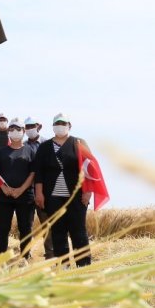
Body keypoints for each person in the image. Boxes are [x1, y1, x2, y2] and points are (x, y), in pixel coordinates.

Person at [34, 113, 92, 267]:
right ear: (53, 126)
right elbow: (38, 173)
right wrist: (39, 193)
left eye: (63, 123)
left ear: (69, 126)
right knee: (58, 231)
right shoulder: (44, 147)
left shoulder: (79, 143)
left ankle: (83, 264)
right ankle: (63, 265)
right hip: (53, 197)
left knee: (78, 230)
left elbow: (90, 169)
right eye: (57, 123)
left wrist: (88, 191)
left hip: (76, 196)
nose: (60, 125)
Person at [0, 118, 36, 257]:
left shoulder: (30, 150)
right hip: (4, 196)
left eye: (18, 129)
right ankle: (1, 257)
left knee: (25, 228)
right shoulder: (1, 152)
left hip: (25, 196)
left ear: (23, 132)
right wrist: (5, 188)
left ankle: (25, 256)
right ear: (8, 133)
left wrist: (20, 190)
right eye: (11, 129)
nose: (14, 132)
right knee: (3, 228)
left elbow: (33, 173)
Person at [24, 115, 53, 258]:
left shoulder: (48, 144)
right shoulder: (22, 146)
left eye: (32, 126)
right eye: (27, 127)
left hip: (45, 191)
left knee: (47, 224)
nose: (30, 129)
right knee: (26, 226)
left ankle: (51, 254)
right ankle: (26, 255)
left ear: (39, 127)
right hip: (27, 191)